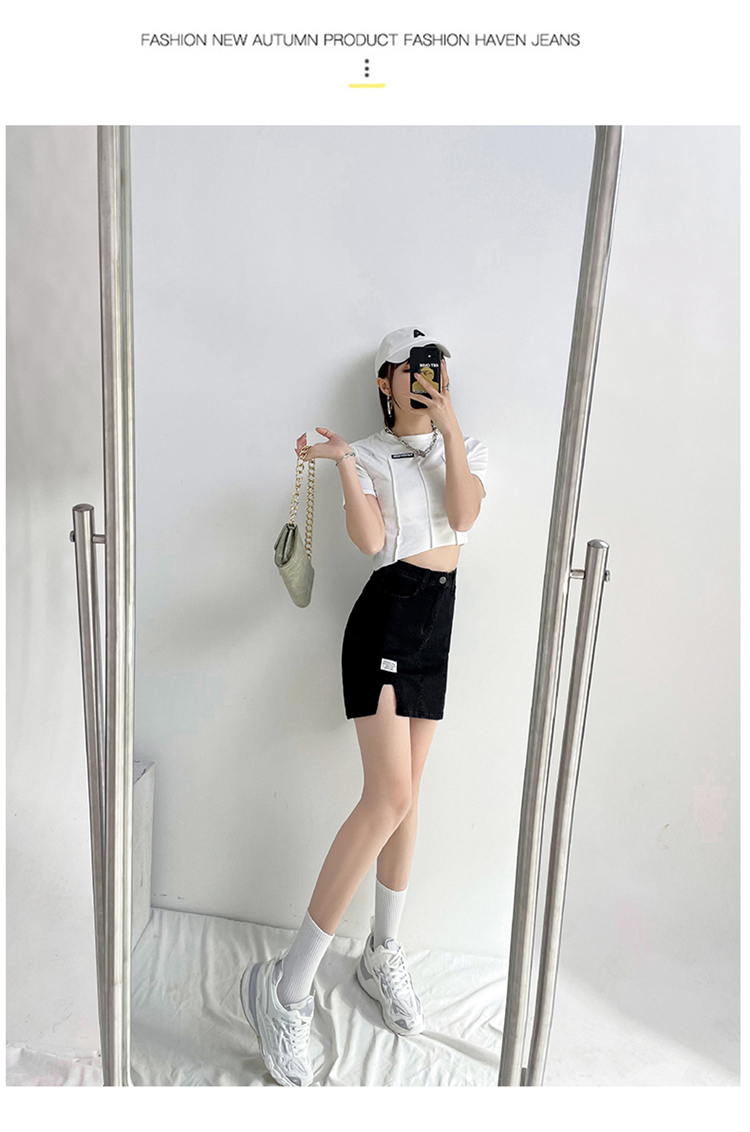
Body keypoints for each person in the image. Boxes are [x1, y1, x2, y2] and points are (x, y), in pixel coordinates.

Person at [239, 327, 488, 1086]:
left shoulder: (465, 446)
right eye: (413, 369)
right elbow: (371, 539)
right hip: (386, 619)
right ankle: (286, 989)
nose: (427, 379)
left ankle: (382, 953)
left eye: (436, 369)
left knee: (408, 801)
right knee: (387, 797)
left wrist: (449, 431)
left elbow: (465, 517)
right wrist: (348, 462)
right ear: (386, 381)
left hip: (437, 624)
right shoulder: (374, 453)